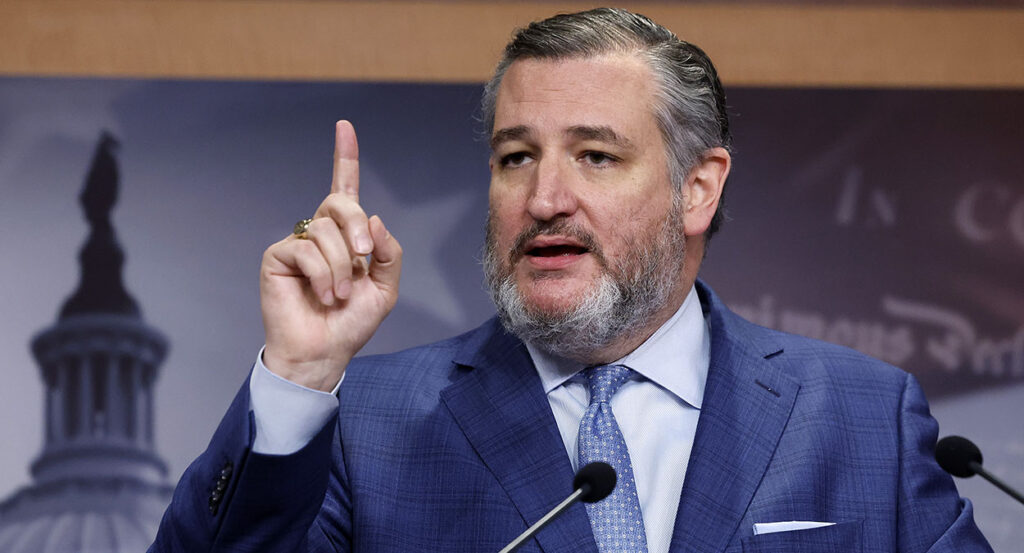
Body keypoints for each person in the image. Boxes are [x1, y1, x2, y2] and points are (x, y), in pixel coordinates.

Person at [150, 8, 991, 553]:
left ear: (698, 187)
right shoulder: (367, 423)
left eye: (596, 155)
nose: (545, 198)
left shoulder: (862, 416)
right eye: (517, 157)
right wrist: (298, 377)